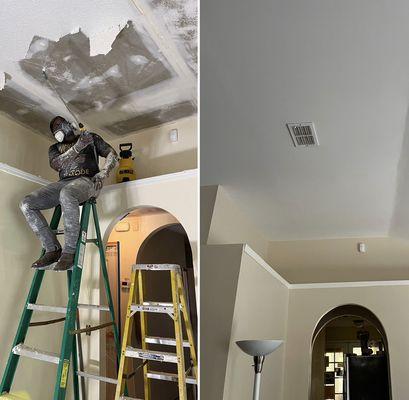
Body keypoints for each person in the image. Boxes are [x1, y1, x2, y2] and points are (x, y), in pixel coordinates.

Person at [20, 116, 118, 271]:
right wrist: (78, 147)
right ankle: (52, 249)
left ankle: (69, 252)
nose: (58, 129)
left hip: (89, 181)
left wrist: (104, 172)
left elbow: (112, 154)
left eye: (60, 124)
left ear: (70, 124)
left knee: (66, 193)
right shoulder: (54, 148)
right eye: (55, 128)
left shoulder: (91, 137)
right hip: (63, 182)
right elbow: (57, 164)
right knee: (27, 204)